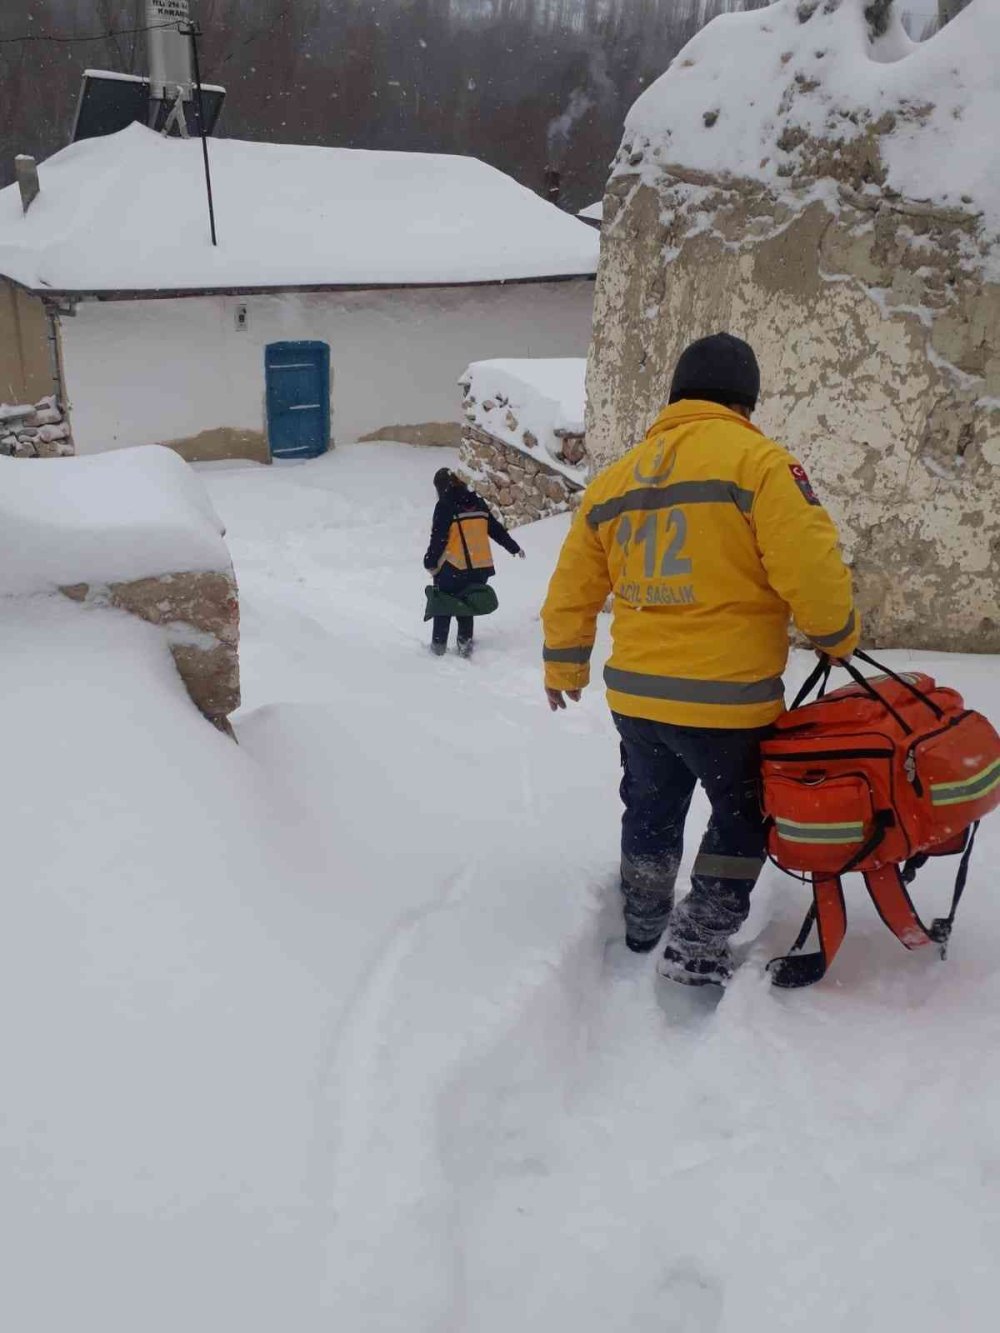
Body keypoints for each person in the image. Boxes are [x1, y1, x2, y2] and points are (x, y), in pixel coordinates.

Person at [541, 333, 859, 985]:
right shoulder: (761, 465)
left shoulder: (616, 479)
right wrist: (837, 636)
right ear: (746, 400)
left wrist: (563, 666)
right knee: (741, 818)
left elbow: (573, 585)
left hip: (637, 700)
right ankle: (699, 940)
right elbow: (810, 566)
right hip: (728, 703)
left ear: (677, 394)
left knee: (650, 807)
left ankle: (643, 917)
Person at [423, 468, 524, 657]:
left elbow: (439, 538)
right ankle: (465, 645)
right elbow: (495, 529)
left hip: (454, 566)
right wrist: (513, 547)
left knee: (443, 602)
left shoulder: (445, 505)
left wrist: (429, 561)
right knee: (465, 604)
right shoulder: (477, 502)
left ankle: (438, 649)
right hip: (479, 568)